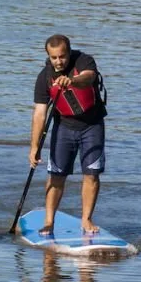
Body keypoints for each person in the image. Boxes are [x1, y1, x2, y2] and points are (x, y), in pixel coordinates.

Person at [30, 34, 107, 236]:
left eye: (62, 56)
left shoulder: (83, 61)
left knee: (91, 174)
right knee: (56, 175)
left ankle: (86, 220)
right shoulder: (44, 77)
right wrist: (34, 147)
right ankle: (49, 222)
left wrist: (72, 80)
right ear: (48, 56)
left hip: (92, 126)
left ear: (69, 52)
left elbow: (88, 77)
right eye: (54, 57)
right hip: (63, 127)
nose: (58, 61)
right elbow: (39, 114)